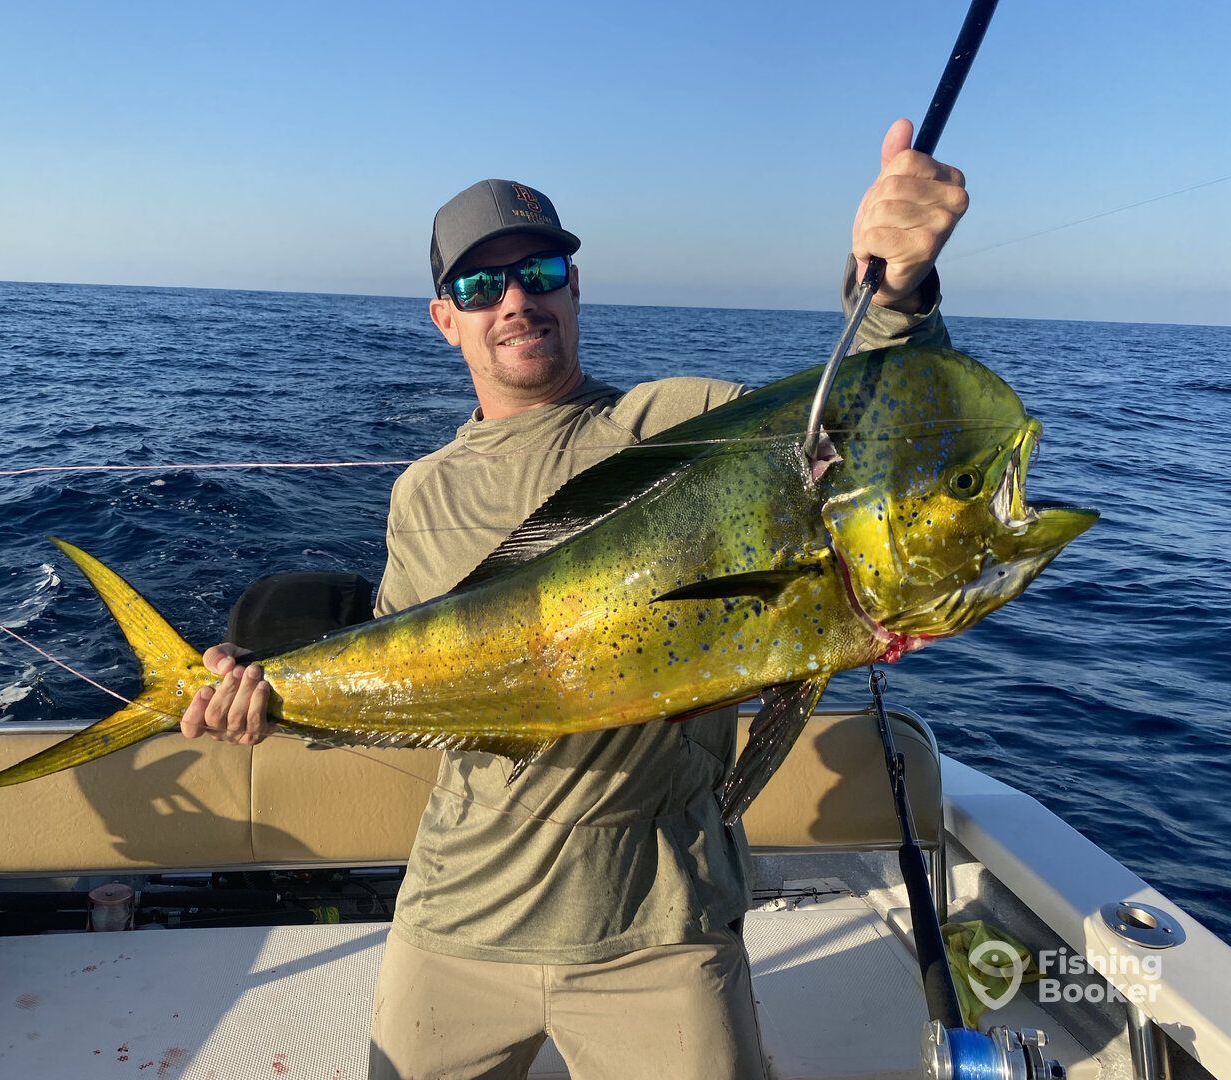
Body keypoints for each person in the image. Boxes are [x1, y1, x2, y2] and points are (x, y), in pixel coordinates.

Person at [181, 119, 967, 1079]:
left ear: (575, 287)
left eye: (539, 272)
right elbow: (411, 681)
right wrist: (271, 695)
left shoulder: (680, 423)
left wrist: (896, 292)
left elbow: (864, 426)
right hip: (456, 914)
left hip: (661, 927)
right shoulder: (422, 493)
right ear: (445, 318)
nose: (515, 300)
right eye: (481, 286)